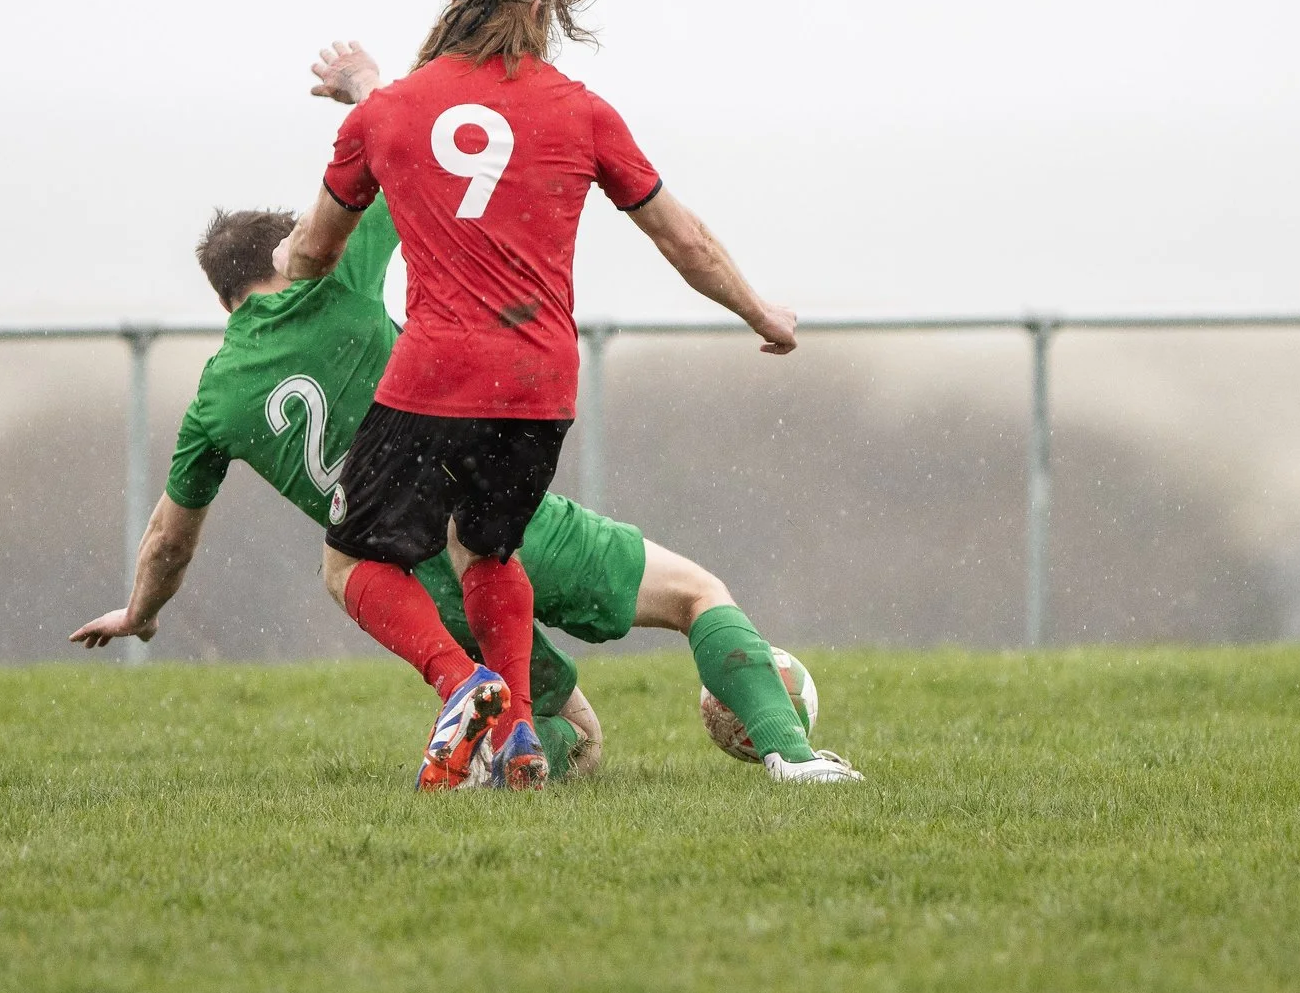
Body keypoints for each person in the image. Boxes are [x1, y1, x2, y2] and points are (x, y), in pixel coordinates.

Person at [68, 120, 862, 785]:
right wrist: (366, 89)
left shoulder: (216, 399)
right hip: (494, 518)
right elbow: (394, 150)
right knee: (695, 595)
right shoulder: (333, 282)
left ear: (221, 300)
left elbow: (170, 537)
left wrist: (142, 613)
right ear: (295, 251)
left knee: (576, 740)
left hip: (413, 594)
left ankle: (487, 740)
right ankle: (791, 757)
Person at [278, 0, 798, 791]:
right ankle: (516, 733)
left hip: (435, 377)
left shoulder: (385, 115)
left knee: (351, 564)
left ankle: (463, 685)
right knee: (488, 551)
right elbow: (682, 236)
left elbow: (315, 247)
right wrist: (759, 311)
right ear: (544, 15)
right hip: (539, 385)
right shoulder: (582, 111)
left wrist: (296, 274)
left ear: (455, 5)